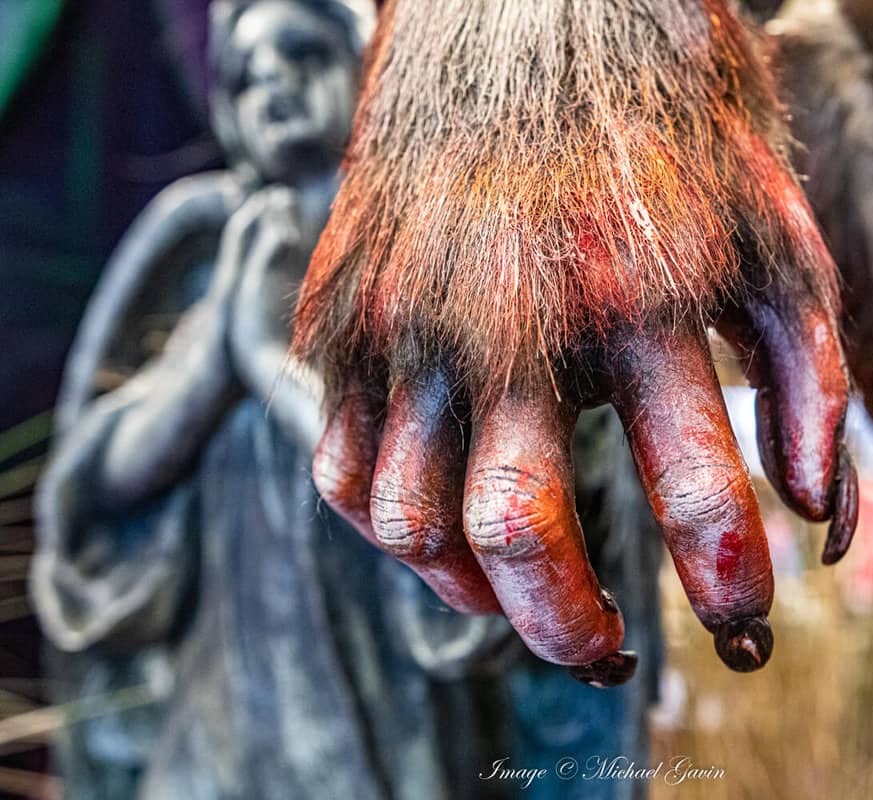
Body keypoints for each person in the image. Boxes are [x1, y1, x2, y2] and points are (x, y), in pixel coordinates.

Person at [33, 2, 660, 797]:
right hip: (209, 738)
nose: (274, 85)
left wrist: (267, 356)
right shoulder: (206, 255)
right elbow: (98, 490)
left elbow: (451, 502)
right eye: (247, 76)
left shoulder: (433, 260)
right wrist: (212, 361)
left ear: (369, 77)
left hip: (389, 731)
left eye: (301, 55)